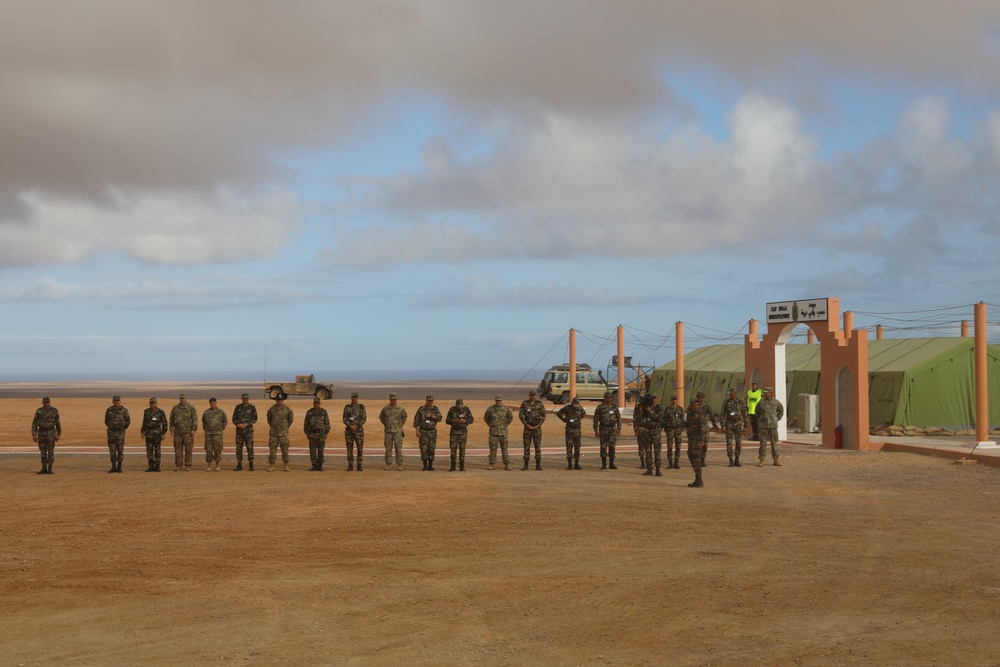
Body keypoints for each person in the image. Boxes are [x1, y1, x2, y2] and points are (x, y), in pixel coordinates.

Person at [31, 397, 60, 475]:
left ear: (49, 402)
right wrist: (34, 434)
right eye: (45, 402)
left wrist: (58, 434)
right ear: (42, 403)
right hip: (41, 433)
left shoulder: (54, 411)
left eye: (48, 402)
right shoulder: (39, 411)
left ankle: (50, 468)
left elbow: (57, 423)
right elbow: (34, 423)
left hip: (51, 433)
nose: (47, 404)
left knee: (50, 450)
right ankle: (44, 468)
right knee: (43, 451)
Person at [483, 395, 514, 470]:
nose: (498, 402)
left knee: (505, 449)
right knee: (493, 449)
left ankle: (507, 464)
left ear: (502, 401)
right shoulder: (490, 409)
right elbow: (486, 418)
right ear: (495, 401)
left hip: (503, 432)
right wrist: (491, 425)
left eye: (500, 400)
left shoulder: (506, 409)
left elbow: (510, 418)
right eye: (497, 400)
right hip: (493, 433)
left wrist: (504, 425)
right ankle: (492, 464)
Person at [592, 391, 621, 470]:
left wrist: (619, 428)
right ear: (604, 398)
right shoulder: (600, 407)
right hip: (603, 429)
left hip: (612, 429)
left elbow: (618, 417)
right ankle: (604, 464)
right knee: (603, 446)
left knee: (612, 446)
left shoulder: (614, 407)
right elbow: (596, 419)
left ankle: (611, 463)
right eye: (608, 398)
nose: (609, 399)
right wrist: (595, 430)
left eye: (611, 398)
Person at [756, 386, 785, 467]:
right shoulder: (761, 402)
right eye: (764, 393)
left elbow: (781, 411)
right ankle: (761, 460)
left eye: (767, 393)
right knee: (762, 443)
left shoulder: (776, 402)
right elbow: (757, 412)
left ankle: (776, 460)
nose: (765, 394)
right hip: (763, 425)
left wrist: (776, 418)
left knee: (774, 443)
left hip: (773, 426)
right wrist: (760, 420)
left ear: (771, 393)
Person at [519, 389, 546, 470]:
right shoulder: (524, 404)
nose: (532, 396)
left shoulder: (540, 404)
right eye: (531, 395)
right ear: (529, 395)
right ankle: (526, 465)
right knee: (526, 447)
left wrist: (538, 425)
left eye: (534, 395)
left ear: (536, 395)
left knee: (537, 447)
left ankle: (538, 465)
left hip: (537, 429)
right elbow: (521, 415)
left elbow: (543, 416)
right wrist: (526, 424)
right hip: (527, 429)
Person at [413, 395, 443, 471]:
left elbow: (440, 418)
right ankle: (425, 465)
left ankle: (430, 465)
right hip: (423, 432)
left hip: (432, 432)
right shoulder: (421, 410)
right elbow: (416, 421)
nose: (430, 402)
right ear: (426, 401)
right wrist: (417, 431)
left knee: (431, 448)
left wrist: (432, 416)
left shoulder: (435, 409)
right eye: (429, 401)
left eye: (431, 401)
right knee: (423, 449)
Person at [169, 393, 198, 471]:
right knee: (178, 450)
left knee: (188, 450)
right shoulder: (175, 408)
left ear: (186, 399)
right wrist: (171, 429)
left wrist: (193, 429)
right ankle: (178, 465)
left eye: (184, 398)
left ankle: (188, 465)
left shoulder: (191, 407)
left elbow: (194, 419)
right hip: (177, 433)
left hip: (188, 433)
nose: (182, 399)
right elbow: (171, 419)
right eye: (181, 398)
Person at [557, 396, 587, 470]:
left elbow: (583, 414)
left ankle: (576, 464)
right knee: (569, 447)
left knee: (577, 447)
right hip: (569, 430)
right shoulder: (567, 408)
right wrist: (564, 420)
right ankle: (569, 464)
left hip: (577, 430)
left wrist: (578, 420)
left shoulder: (580, 408)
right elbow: (559, 413)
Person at [721, 387, 749, 467]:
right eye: (729, 393)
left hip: (738, 424)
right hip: (729, 424)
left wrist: (745, 425)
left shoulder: (741, 402)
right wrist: (722, 425)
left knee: (738, 442)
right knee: (729, 442)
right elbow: (723, 413)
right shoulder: (726, 402)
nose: (730, 394)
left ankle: (737, 459)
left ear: (736, 393)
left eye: (731, 393)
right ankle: (730, 459)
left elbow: (745, 413)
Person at [379, 392, 407, 471]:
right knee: (388, 448)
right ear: (390, 400)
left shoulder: (400, 409)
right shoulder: (385, 409)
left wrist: (399, 425)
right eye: (392, 399)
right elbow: (381, 418)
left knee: (398, 448)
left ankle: (399, 464)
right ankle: (388, 464)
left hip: (397, 431)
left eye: (395, 399)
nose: (394, 401)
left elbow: (404, 417)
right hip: (388, 431)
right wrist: (387, 425)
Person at [266, 393, 294, 471]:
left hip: (283, 433)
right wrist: (274, 426)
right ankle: (272, 465)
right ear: (276, 400)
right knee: (272, 450)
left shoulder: (287, 409)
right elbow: (269, 419)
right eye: (278, 400)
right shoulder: (271, 409)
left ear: (283, 401)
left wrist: (285, 427)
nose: (279, 401)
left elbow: (290, 419)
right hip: (274, 433)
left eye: (281, 400)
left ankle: (286, 465)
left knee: (285, 449)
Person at [104, 394, 131, 473]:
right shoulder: (109, 410)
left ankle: (119, 467)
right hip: (111, 433)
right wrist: (112, 427)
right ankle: (113, 466)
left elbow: (128, 421)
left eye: (118, 401)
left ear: (120, 401)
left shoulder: (124, 410)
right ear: (113, 401)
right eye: (115, 401)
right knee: (112, 450)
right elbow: (106, 421)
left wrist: (122, 428)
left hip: (120, 433)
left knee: (120, 450)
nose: (117, 402)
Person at [685, 395, 708, 487]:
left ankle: (699, 479)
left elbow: (702, 430)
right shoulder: (690, 414)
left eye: (697, 405)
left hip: (697, 439)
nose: (695, 407)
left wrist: (700, 442)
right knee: (690, 455)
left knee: (696, 458)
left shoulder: (700, 416)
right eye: (694, 405)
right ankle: (697, 477)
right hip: (691, 439)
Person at [445, 398, 474, 471]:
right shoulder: (452, 410)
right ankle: (453, 465)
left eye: (460, 404)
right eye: (458, 405)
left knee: (462, 448)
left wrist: (464, 421)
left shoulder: (466, 410)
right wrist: (455, 421)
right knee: (453, 449)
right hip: (454, 432)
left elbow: (471, 420)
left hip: (463, 432)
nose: (459, 406)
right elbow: (447, 420)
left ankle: (462, 465)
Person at [140, 397, 168, 472]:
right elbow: (144, 422)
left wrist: (163, 433)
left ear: (156, 403)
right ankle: (151, 465)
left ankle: (157, 465)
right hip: (148, 434)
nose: (152, 404)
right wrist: (142, 432)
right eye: (151, 403)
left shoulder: (160, 412)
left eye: (153, 403)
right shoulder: (146, 412)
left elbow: (164, 423)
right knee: (149, 450)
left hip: (157, 434)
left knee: (157, 450)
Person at [232, 393, 258, 471]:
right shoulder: (238, 407)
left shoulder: (252, 407)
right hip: (239, 431)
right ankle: (239, 464)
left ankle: (251, 464)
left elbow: (255, 418)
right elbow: (234, 418)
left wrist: (247, 424)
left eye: (246, 398)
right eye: (244, 398)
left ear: (248, 399)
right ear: (241, 398)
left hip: (248, 431)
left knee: (250, 447)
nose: (245, 400)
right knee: (239, 448)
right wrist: (238, 424)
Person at [304, 397, 331, 471]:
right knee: (312, 450)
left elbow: (327, 423)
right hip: (312, 433)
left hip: (321, 434)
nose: (316, 404)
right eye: (315, 403)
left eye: (317, 403)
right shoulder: (309, 412)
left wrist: (326, 432)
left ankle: (320, 465)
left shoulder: (323, 412)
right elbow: (306, 424)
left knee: (320, 450)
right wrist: (307, 433)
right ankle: (314, 465)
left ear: (320, 403)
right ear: (313, 403)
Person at [640, 394, 664, 476]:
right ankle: (649, 468)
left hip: (655, 432)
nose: (653, 400)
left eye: (654, 398)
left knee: (657, 452)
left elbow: (659, 418)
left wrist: (650, 411)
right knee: (648, 451)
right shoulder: (646, 407)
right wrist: (643, 408)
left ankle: (658, 469)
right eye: (651, 398)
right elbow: (641, 417)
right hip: (647, 432)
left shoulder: (659, 407)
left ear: (656, 398)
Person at [202, 397, 228, 471]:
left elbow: (225, 421)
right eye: (211, 403)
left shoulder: (221, 412)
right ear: (209, 404)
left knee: (218, 450)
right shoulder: (206, 412)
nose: (212, 404)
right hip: (208, 435)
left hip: (218, 435)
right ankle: (209, 465)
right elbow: (204, 422)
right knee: (209, 450)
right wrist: (207, 430)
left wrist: (220, 429)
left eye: (214, 403)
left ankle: (217, 465)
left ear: (216, 403)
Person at [343, 392, 367, 471]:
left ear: (358, 398)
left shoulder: (361, 407)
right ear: (351, 398)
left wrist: (357, 426)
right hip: (349, 431)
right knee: (349, 448)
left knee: (359, 448)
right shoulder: (347, 407)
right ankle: (350, 465)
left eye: (355, 397)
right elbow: (344, 418)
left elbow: (364, 418)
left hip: (358, 431)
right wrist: (350, 426)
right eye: (353, 397)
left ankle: (359, 464)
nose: (354, 399)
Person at [662, 395, 685, 470]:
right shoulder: (667, 409)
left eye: (675, 399)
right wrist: (666, 429)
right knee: (670, 447)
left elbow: (682, 419)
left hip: (678, 430)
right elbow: (664, 420)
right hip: (670, 430)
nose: (674, 400)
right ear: (671, 400)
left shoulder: (680, 409)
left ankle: (676, 463)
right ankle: (670, 463)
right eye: (673, 399)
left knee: (678, 447)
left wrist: (681, 428)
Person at [696, 391, 716, 468]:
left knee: (705, 445)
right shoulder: (694, 405)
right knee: (697, 445)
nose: (702, 398)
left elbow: (712, 415)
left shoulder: (706, 406)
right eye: (701, 397)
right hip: (696, 429)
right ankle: (697, 460)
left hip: (705, 428)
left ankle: (702, 460)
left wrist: (714, 425)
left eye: (703, 397)